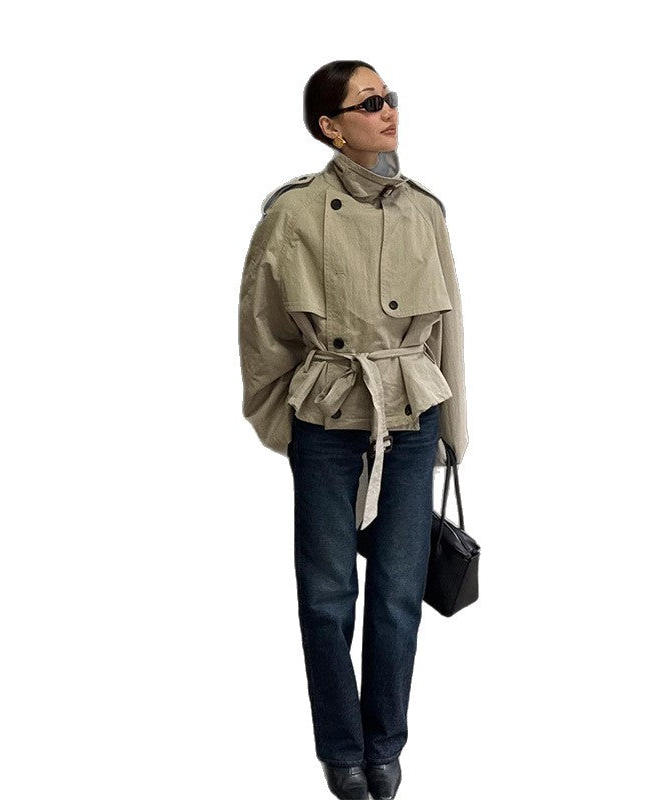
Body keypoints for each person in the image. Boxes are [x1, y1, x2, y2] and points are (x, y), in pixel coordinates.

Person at [237, 60, 469, 800]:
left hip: (411, 412)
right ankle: (341, 751)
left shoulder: (425, 210)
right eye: (369, 103)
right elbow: (262, 327)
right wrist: (283, 420)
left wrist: (453, 431)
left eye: (389, 98)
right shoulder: (293, 212)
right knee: (327, 594)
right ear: (330, 127)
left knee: (398, 591)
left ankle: (385, 743)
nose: (388, 111)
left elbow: (449, 330)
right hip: (328, 415)